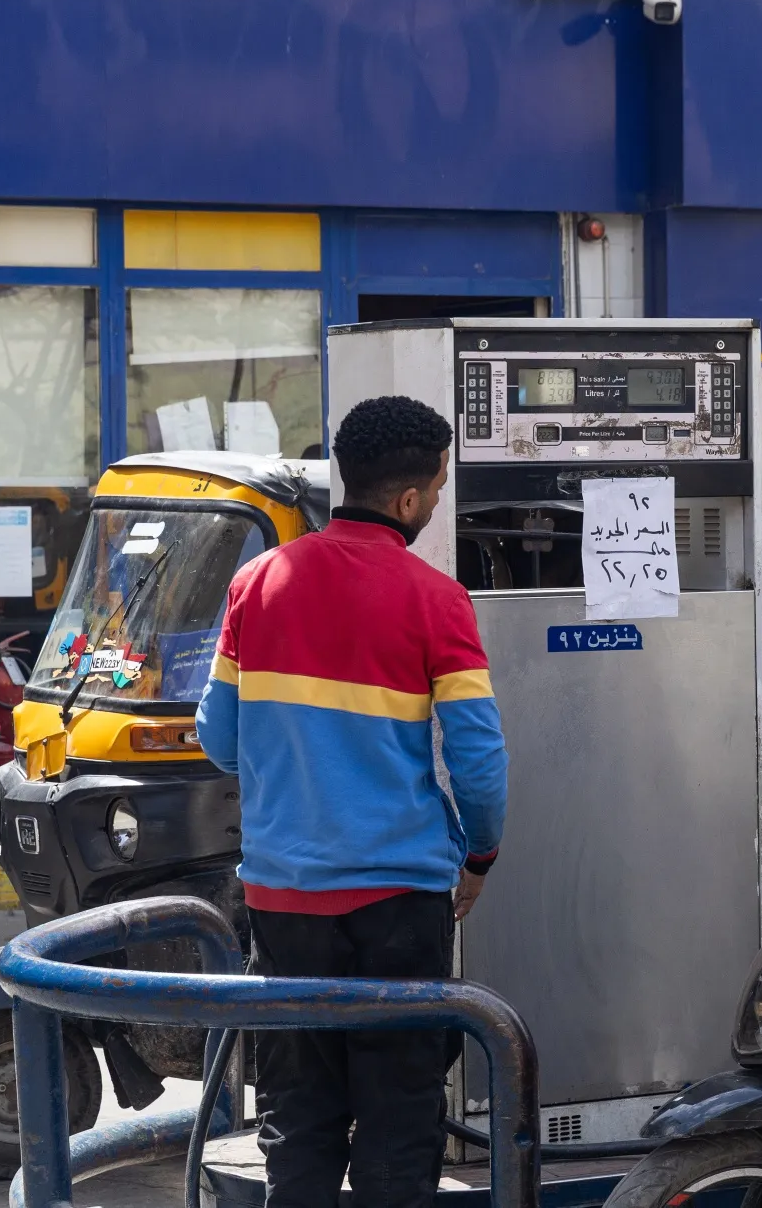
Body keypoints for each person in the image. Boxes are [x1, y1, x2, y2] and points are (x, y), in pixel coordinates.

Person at [195, 395, 508, 1208]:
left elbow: (218, 741)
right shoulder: (438, 599)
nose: (437, 503)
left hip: (283, 899)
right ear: (409, 499)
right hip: (400, 900)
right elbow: (479, 764)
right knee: (399, 1120)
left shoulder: (255, 585)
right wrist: (480, 853)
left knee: (298, 1118)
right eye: (438, 489)